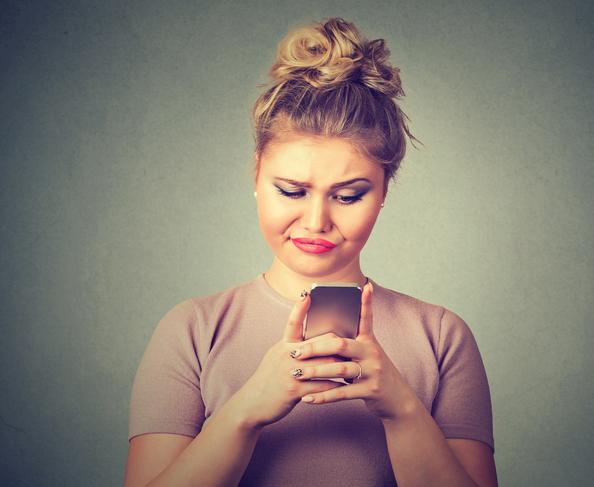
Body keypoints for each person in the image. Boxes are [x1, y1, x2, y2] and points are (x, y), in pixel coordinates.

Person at [123, 17, 497, 487]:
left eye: (348, 195)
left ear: (384, 192)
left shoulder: (441, 337)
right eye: (292, 191)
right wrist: (246, 409)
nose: (316, 221)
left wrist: (402, 407)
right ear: (257, 175)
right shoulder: (194, 331)